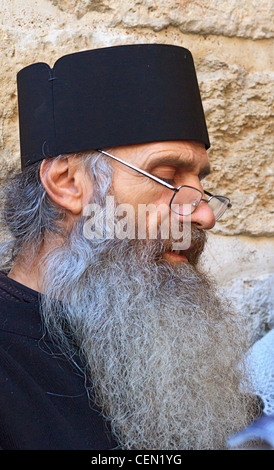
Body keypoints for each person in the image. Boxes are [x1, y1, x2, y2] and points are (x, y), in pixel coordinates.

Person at [0, 44, 262, 450]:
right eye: (169, 177)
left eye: (200, 185)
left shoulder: (172, 343)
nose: (205, 215)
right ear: (68, 183)